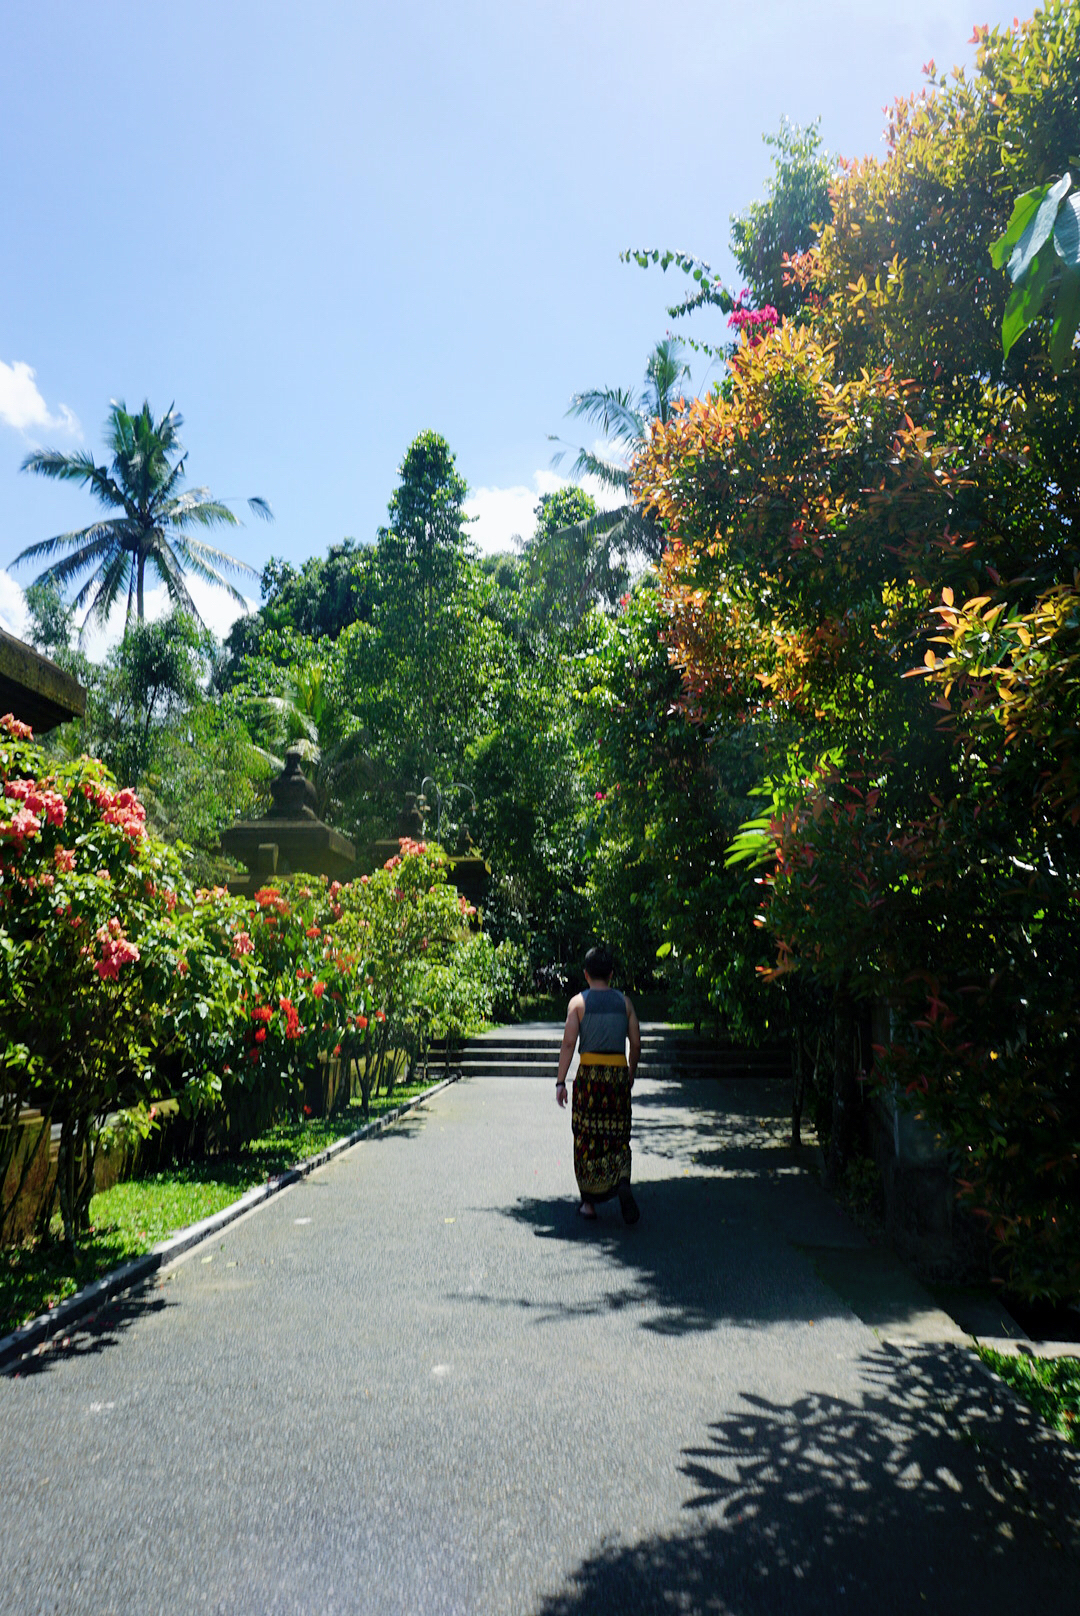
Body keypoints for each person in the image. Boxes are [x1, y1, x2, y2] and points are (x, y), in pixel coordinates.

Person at [555, 944, 641, 1223]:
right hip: (616, 1076)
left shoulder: (578, 1003)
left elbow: (569, 1043)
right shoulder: (625, 1003)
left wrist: (560, 1081)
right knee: (618, 1135)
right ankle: (622, 1180)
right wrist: (630, 1073)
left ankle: (589, 1204)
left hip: (590, 1078)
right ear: (612, 974)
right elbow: (637, 1044)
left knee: (586, 1137)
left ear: (586, 973)